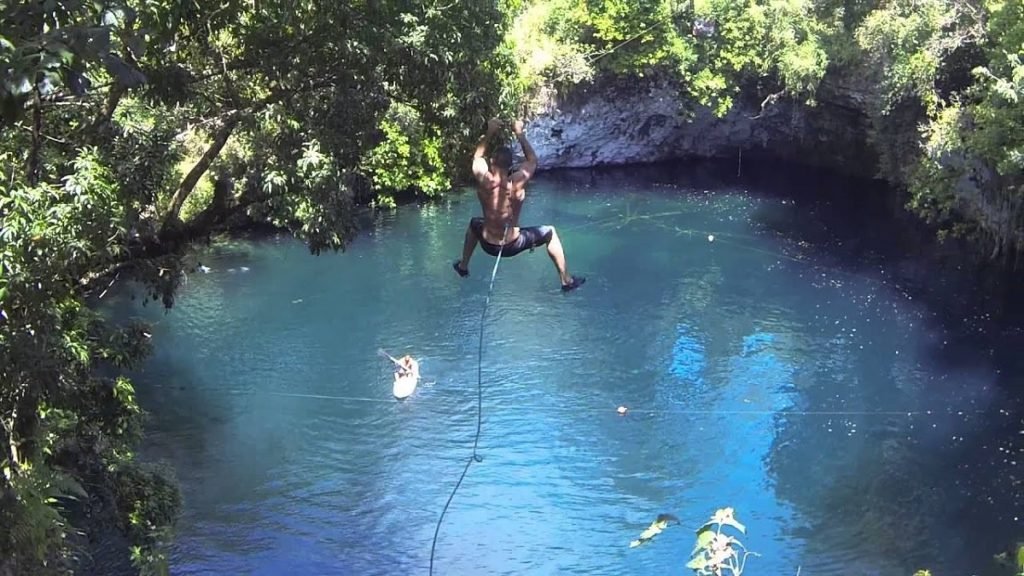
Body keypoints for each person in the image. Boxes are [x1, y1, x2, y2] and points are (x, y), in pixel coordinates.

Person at [452, 117, 585, 292]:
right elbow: (532, 161)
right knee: (550, 232)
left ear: (491, 162)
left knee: (474, 224)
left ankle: (463, 266)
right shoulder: (517, 182)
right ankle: (566, 281)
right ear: (511, 165)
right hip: (513, 244)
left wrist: (490, 131)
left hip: (487, 243)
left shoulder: (484, 180)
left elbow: (477, 157)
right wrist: (519, 133)